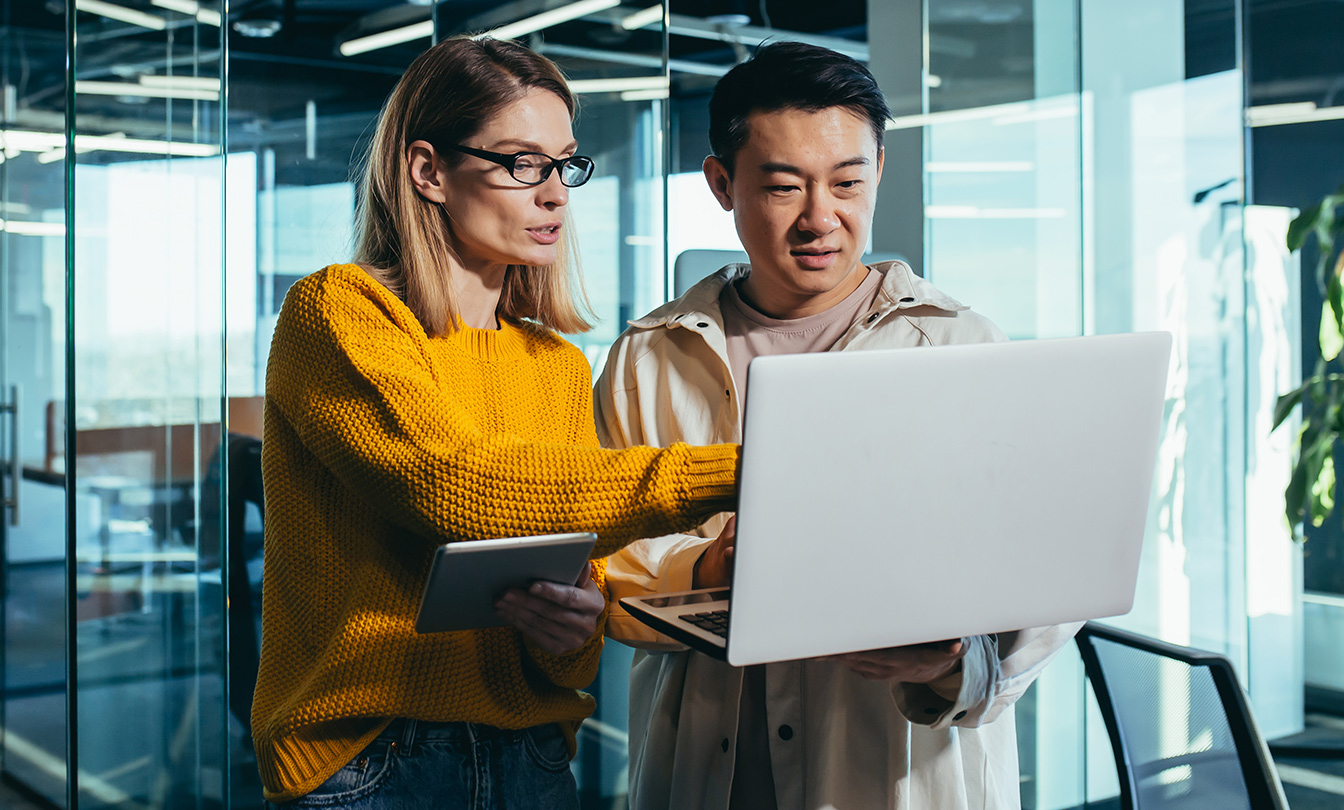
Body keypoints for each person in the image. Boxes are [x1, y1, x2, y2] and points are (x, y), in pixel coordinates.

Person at [253, 36, 740, 809]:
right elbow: (455, 484)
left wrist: (576, 625)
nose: (555, 193)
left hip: (533, 761)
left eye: (565, 163)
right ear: (428, 171)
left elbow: (577, 633)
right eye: (522, 162)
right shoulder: (340, 313)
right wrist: (738, 471)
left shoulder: (556, 364)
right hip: (373, 761)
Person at [597, 42, 1080, 810]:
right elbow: (604, 562)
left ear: (880, 170)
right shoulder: (649, 359)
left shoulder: (960, 346)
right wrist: (712, 573)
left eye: (849, 182)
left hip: (895, 774)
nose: (822, 218)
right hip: (704, 774)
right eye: (784, 186)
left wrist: (950, 663)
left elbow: (1048, 580)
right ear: (722, 184)